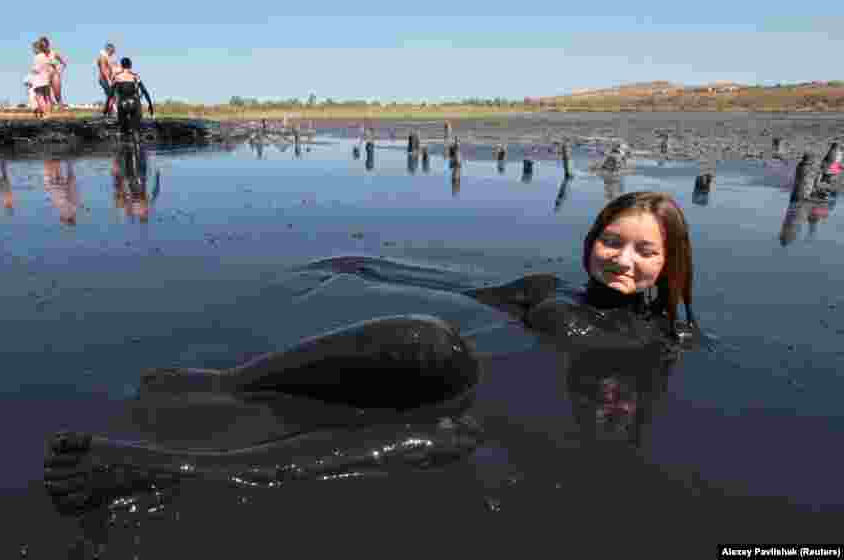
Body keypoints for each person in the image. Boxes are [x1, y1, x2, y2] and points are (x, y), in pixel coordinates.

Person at [43, 191, 698, 517]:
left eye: (645, 251)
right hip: (441, 368)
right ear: (591, 241)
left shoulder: (665, 339)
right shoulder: (544, 289)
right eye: (613, 241)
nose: (622, 259)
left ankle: (169, 471)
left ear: (670, 266)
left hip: (494, 419)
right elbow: (458, 290)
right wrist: (372, 268)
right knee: (427, 335)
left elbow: (617, 434)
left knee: (448, 440)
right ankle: (230, 385)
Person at [105, 57, 154, 139]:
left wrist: (106, 108)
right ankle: (137, 145)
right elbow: (144, 91)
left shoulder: (117, 77)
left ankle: (124, 145)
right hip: (134, 103)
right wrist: (150, 105)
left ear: (121, 66)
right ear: (130, 65)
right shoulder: (135, 76)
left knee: (123, 129)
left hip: (122, 103)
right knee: (136, 129)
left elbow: (111, 94)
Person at [30, 39, 53, 118]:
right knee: (47, 97)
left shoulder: (37, 57)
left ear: (37, 49)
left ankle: (45, 113)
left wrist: (32, 70)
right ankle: (49, 113)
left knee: (39, 96)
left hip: (39, 79)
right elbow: (50, 67)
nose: (33, 51)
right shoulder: (46, 56)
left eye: (33, 49)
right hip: (47, 79)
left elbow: (36, 69)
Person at [96, 42, 118, 116]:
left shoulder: (107, 57)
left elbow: (112, 68)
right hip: (104, 79)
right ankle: (108, 112)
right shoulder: (102, 57)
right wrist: (108, 80)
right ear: (109, 49)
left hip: (108, 79)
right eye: (112, 51)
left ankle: (108, 113)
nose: (113, 53)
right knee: (112, 96)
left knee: (111, 96)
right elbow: (103, 70)